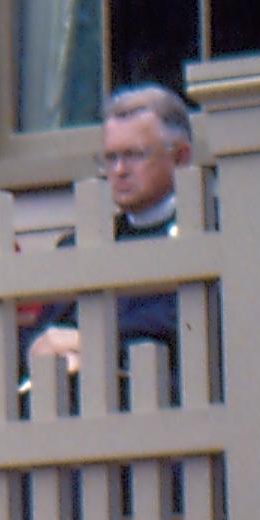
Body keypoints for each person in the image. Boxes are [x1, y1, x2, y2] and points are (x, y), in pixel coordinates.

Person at [27, 84, 194, 386]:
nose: (118, 170)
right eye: (110, 157)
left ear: (180, 157)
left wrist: (89, 340)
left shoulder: (214, 229)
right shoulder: (78, 245)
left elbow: (188, 325)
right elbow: (45, 335)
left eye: (134, 155)